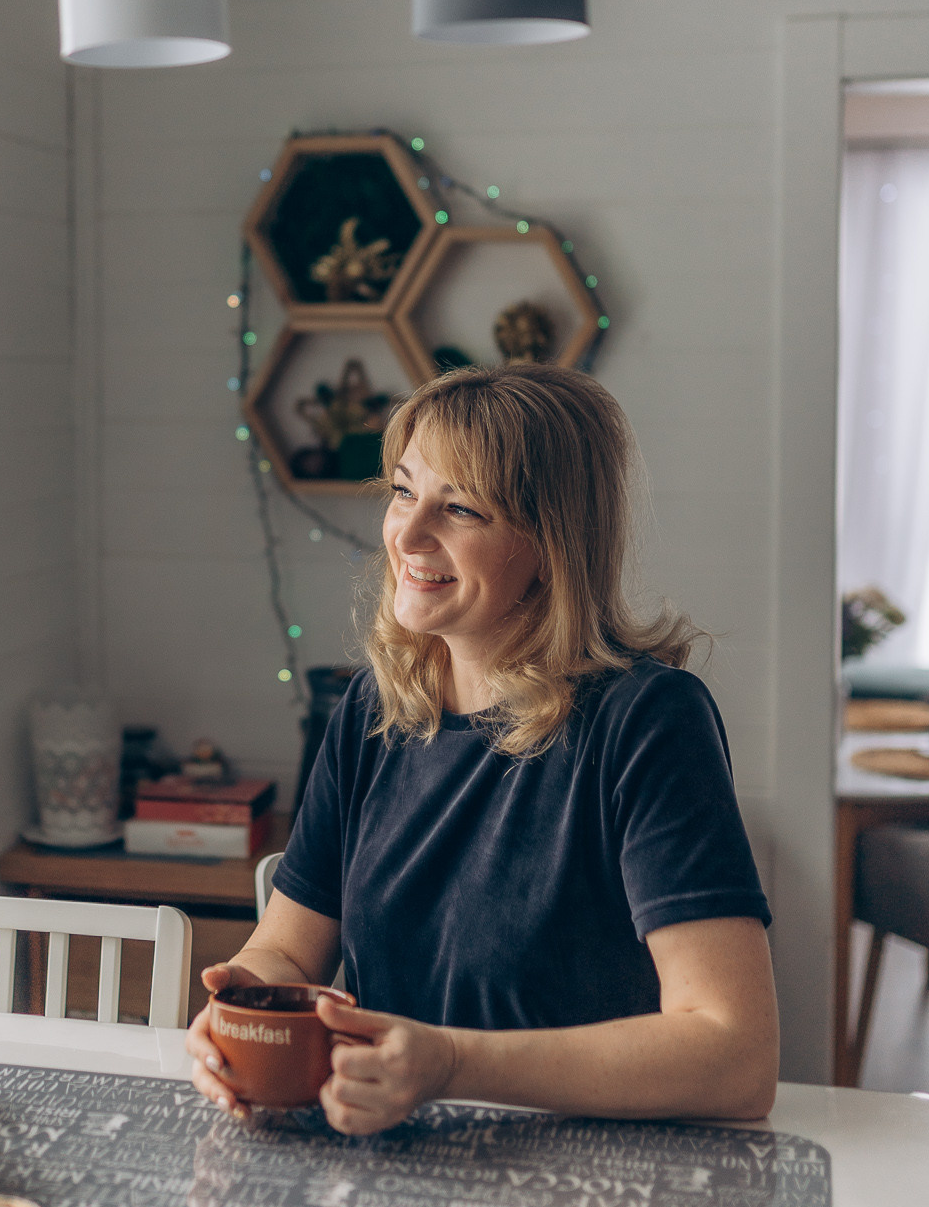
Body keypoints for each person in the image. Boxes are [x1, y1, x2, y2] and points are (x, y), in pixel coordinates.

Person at [187, 362, 778, 1135]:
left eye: (459, 507)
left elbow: (734, 1057)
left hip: (588, 1179)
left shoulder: (648, 720)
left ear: (550, 544)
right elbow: (287, 958)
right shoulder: (370, 709)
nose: (407, 533)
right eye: (404, 491)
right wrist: (240, 1010)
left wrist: (450, 1064)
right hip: (390, 1173)